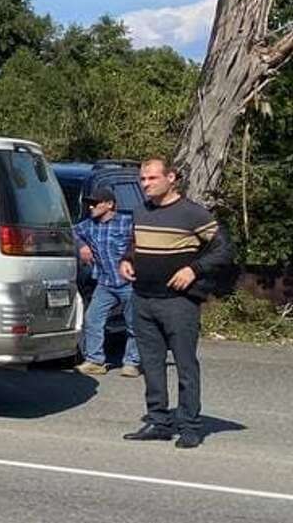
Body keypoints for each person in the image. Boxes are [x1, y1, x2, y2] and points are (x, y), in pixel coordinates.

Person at [121, 158, 235, 450]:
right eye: (142, 179)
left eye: (151, 178)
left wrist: (193, 270)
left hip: (179, 303)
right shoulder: (140, 210)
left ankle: (189, 426)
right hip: (143, 298)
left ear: (171, 178)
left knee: (185, 365)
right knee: (151, 364)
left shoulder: (192, 213)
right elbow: (133, 244)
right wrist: (126, 260)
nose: (145, 184)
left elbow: (224, 249)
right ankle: (159, 422)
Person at [73, 185, 139, 378]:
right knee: (92, 319)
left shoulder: (127, 223)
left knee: (133, 324)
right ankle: (94, 360)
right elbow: (70, 232)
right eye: (89, 204)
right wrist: (82, 245)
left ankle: (132, 362)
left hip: (129, 282)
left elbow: (142, 241)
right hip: (104, 283)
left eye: (95, 203)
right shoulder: (88, 225)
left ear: (110, 204)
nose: (91, 207)